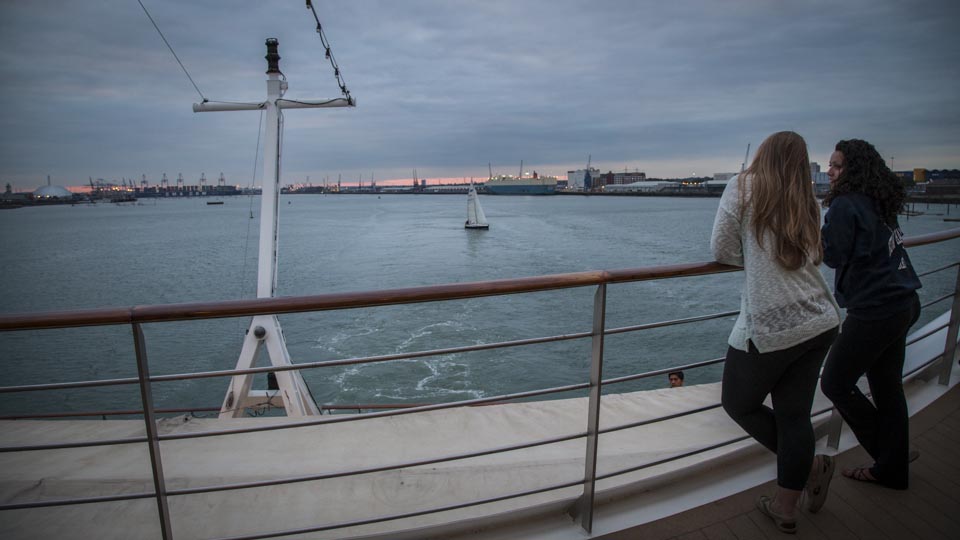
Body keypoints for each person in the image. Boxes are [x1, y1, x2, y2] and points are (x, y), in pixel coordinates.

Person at [711, 131, 841, 533]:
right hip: (819, 319)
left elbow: (721, 249)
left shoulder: (742, 187)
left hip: (772, 324)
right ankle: (787, 505)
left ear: (763, 154)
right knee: (794, 416)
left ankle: (808, 469)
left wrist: (754, 259)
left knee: (738, 404)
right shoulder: (807, 198)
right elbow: (814, 254)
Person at [819, 139, 922, 490]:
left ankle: (890, 460)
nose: (830, 172)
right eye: (830, 165)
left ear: (854, 170)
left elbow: (833, 255)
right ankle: (893, 461)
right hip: (904, 301)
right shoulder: (878, 198)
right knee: (887, 388)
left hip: (876, 309)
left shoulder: (845, 204)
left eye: (837, 166)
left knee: (834, 383)